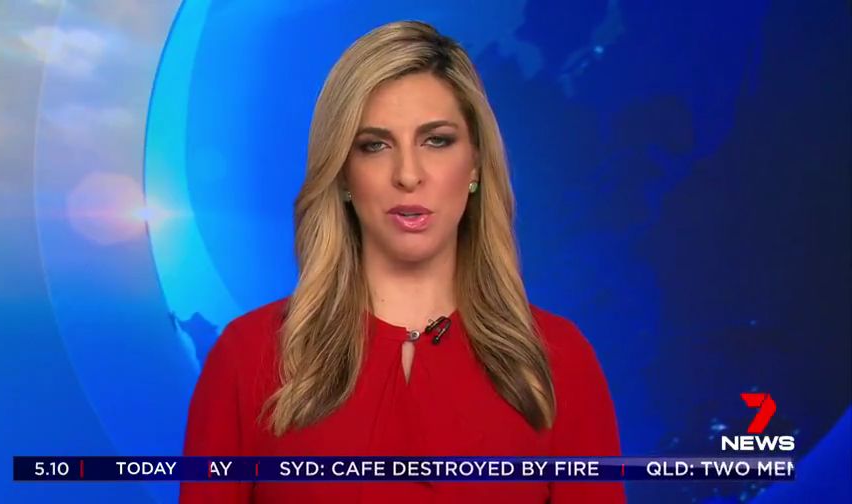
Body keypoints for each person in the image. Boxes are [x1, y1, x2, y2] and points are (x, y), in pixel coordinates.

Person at [180, 20, 624, 503]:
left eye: (437, 140)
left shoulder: (559, 361)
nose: (408, 175)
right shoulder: (248, 357)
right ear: (343, 173)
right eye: (374, 145)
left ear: (475, 165)